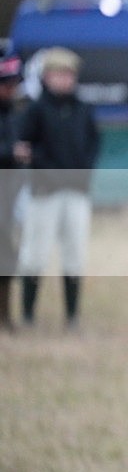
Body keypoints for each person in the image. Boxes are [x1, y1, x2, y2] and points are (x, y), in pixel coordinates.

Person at [15, 47, 99, 329]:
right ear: (47, 76)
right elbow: (25, 148)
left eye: (69, 74)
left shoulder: (82, 108)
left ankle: (72, 316)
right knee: (34, 255)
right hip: (44, 193)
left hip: (76, 191)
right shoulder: (35, 110)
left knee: (74, 255)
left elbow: (92, 144)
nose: (66, 79)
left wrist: (82, 173)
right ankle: (27, 315)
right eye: (60, 74)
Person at [0, 52, 24, 332]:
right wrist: (10, 152)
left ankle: (5, 316)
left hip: (7, 197)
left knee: (7, 257)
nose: (11, 90)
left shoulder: (13, 114)